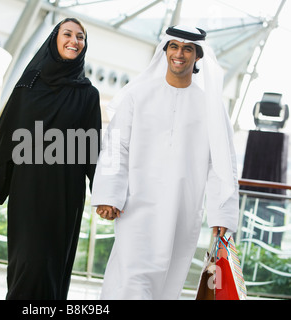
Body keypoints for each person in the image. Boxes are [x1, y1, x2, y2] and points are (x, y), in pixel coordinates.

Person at [90, 25, 239, 299]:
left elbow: (222, 164)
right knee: (131, 281)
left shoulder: (211, 107)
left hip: (182, 213)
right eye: (174, 46)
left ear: (197, 56)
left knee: (167, 284)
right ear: (165, 50)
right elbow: (116, 146)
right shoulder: (138, 95)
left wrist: (221, 214)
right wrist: (109, 195)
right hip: (136, 208)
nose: (179, 53)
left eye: (187, 48)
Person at [0, 18, 101, 300]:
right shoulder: (28, 87)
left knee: (51, 266)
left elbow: (92, 151)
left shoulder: (88, 95)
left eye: (80, 37)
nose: (74, 41)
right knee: (26, 263)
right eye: (68, 34)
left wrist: (104, 193)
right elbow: (12, 137)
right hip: (28, 190)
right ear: (54, 39)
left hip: (65, 195)